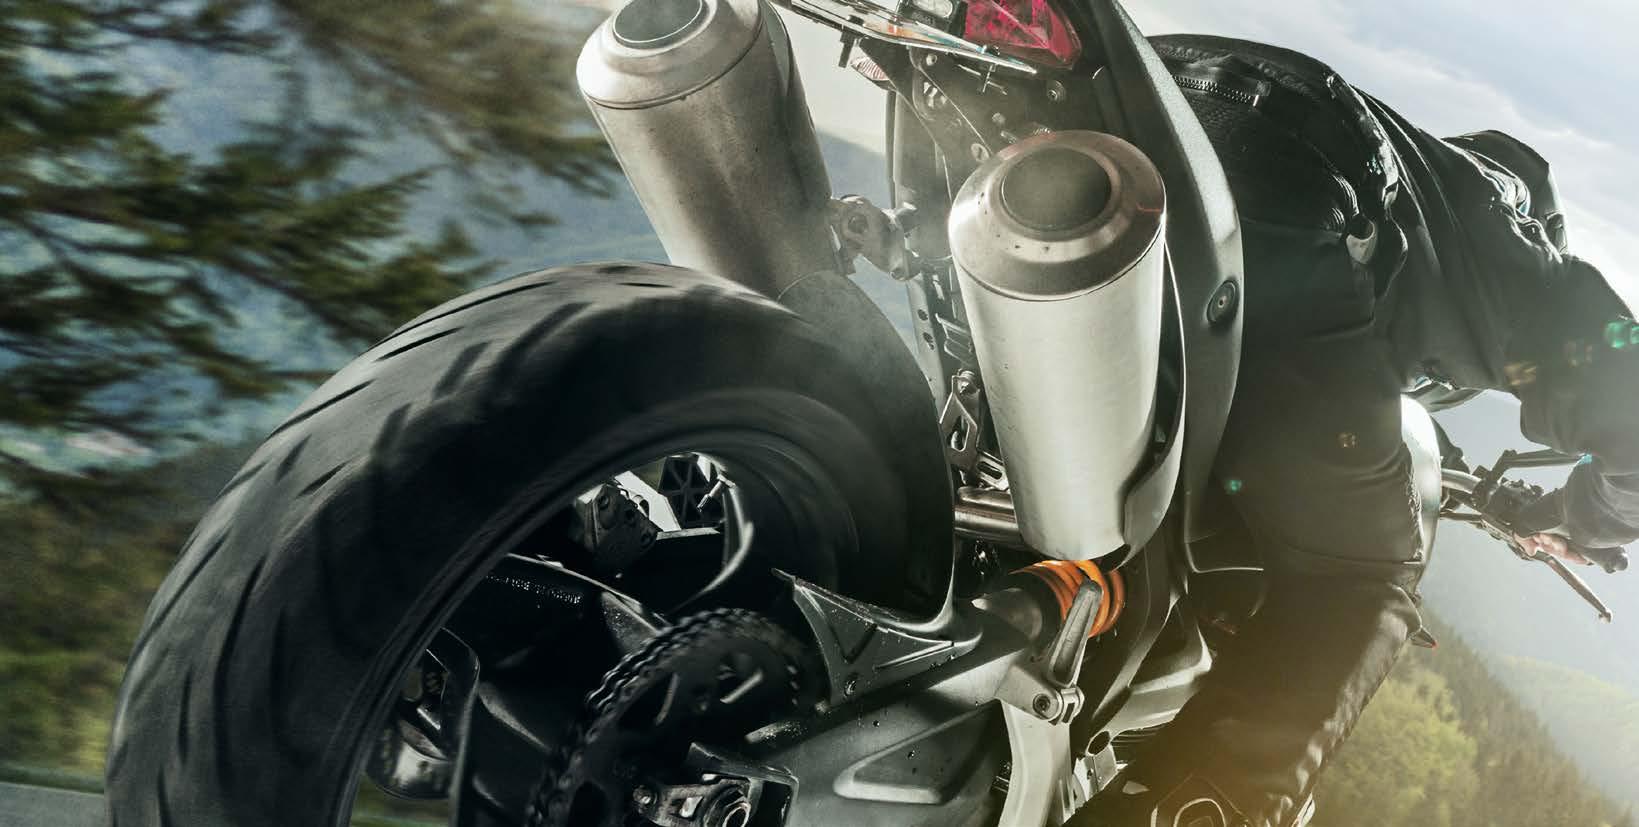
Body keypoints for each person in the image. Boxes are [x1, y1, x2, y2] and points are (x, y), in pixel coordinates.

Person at [1078, 35, 1639, 827]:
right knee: (1356, 577)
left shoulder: (1425, 195)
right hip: (1286, 183)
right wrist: (1580, 515)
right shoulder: (1512, 247)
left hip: (1123, 104)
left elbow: (1367, 385)